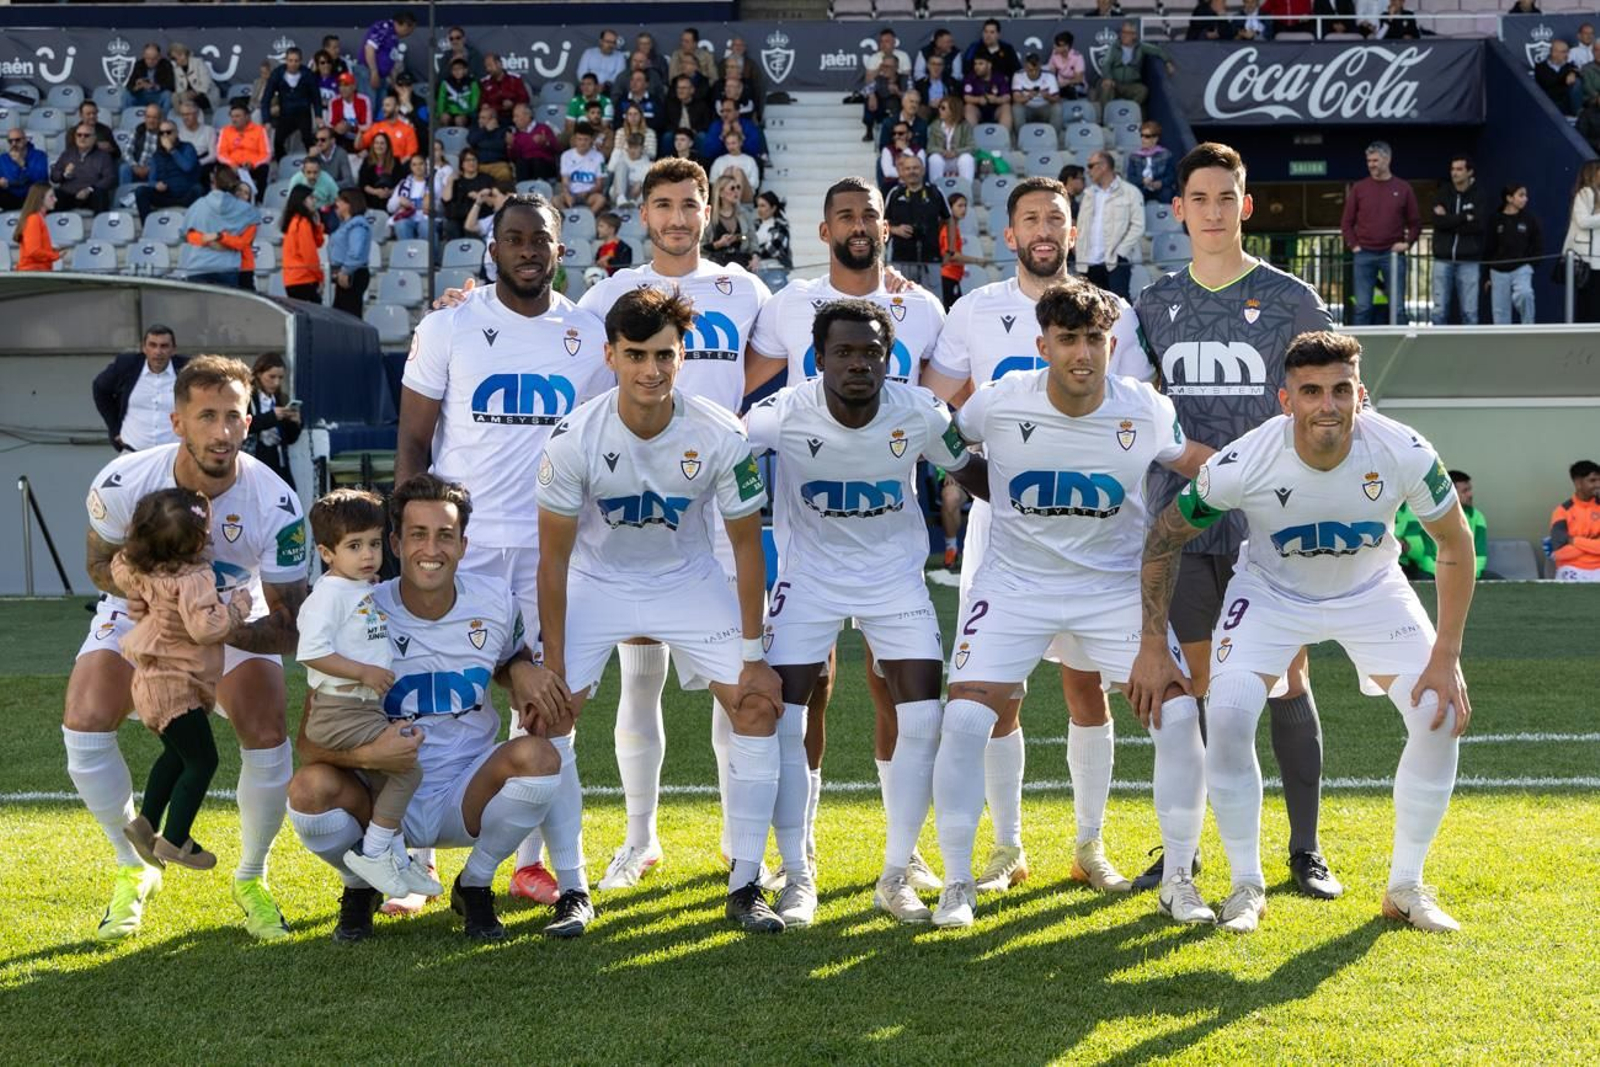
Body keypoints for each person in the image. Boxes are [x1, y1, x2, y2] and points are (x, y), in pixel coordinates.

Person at [1129, 330, 1477, 934]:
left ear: (1360, 394)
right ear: (1286, 400)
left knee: (1437, 714)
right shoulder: (1245, 460)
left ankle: (1406, 886)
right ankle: (1246, 886)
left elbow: (1454, 541)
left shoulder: (1405, 450)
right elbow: (1163, 538)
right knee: (1229, 713)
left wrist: (1446, 655)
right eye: (1311, 391)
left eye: (1341, 390)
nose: (1327, 405)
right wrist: (1154, 644)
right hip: (1271, 594)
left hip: (1371, 591)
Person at [932, 282, 1212, 930]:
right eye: (1068, 340)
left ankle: (1177, 879)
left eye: (1094, 340)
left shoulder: (1143, 407)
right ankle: (956, 883)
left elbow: (1198, 463)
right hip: (1015, 584)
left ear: (1111, 344)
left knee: (1177, 717)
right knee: (965, 720)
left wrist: (1272, 467)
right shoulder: (1001, 400)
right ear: (1043, 346)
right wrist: (989, 489)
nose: (1083, 354)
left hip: (1112, 587)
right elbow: (945, 445)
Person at [921, 177, 1149, 896]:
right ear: (1011, 233)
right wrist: (981, 468)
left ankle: (1089, 844)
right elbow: (936, 403)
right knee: (998, 695)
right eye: (1030, 219)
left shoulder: (1112, 314)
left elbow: (1134, 410)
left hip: (1093, 533)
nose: (1044, 229)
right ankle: (1007, 847)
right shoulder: (975, 309)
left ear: (1073, 233)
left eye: (1056, 218)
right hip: (1005, 532)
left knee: (1087, 689)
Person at [536, 287, 787, 932]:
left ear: (683, 357)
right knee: (547, 716)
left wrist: (754, 656)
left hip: (686, 580)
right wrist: (553, 665)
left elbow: (746, 545)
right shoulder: (574, 437)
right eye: (636, 355)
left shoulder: (720, 431)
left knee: (757, 705)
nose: (651, 370)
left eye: (665, 355)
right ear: (610, 356)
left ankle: (746, 883)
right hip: (598, 581)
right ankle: (572, 887)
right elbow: (553, 562)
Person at [561, 157, 774, 892]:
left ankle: (737, 845)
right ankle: (640, 837)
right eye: (664, 205)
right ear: (643, 212)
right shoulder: (609, 292)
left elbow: (771, 356)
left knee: (732, 676)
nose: (678, 218)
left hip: (718, 495)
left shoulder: (745, 290)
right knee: (639, 675)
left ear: (709, 211)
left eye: (690, 204)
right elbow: (572, 355)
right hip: (641, 507)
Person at [394, 193, 610, 913]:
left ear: (559, 249)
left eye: (539, 239)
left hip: (555, 550)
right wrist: (410, 536)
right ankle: (413, 858)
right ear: (492, 249)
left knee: (549, 707)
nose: (526, 250)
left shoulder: (587, 333)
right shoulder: (449, 324)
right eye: (513, 238)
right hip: (467, 549)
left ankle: (538, 867)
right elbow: (413, 439)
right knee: (434, 695)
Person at [1133, 142, 1339, 896]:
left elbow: (1337, 399)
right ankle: (1183, 852)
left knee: (1284, 678)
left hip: (1270, 525)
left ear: (1246, 206)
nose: (1214, 211)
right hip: (1183, 523)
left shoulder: (1291, 298)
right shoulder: (1152, 303)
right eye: (1200, 198)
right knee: (1200, 687)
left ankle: (1305, 850)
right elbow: (1135, 410)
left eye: (1227, 197)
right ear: (1179, 209)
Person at [746, 298, 989, 925]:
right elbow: (722, 450)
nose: (859, 363)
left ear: (889, 358)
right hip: (808, 580)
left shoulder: (923, 412)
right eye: (844, 352)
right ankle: (797, 873)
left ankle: (895, 872)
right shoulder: (782, 414)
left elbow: (974, 471)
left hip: (893, 581)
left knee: (923, 718)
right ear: (818, 359)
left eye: (872, 352)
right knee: (785, 719)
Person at [747, 177, 947, 887]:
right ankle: (795, 857)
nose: (858, 225)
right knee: (804, 696)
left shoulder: (923, 308)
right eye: (845, 215)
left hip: (891, 553)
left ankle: (904, 856)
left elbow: (941, 409)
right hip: (809, 553)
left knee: (903, 695)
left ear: (886, 226)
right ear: (824, 228)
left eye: (870, 215)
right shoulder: (788, 304)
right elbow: (742, 396)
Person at [69, 355, 308, 942]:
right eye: (206, 416)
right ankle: (133, 865)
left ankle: (252, 878)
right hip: (142, 612)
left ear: (248, 422)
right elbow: (99, 564)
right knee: (85, 722)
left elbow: (289, 624)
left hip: (231, 618)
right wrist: (151, 596)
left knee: (266, 731)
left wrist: (218, 628)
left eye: (232, 416)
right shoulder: (124, 480)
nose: (221, 431)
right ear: (177, 422)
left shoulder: (277, 504)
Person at [289, 473, 569, 941]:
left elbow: (508, 658)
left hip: (467, 788)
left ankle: (474, 883)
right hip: (379, 792)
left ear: (463, 544)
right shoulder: (359, 606)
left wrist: (520, 668)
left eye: (445, 535)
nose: (431, 549)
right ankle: (361, 884)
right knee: (307, 789)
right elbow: (308, 741)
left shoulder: (495, 600)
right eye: (418, 534)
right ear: (396, 544)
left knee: (540, 758)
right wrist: (369, 757)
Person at [295, 488, 440, 898]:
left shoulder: (354, 587)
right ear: (327, 553)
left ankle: (396, 857)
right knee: (406, 771)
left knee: (385, 779)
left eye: (374, 544)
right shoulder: (327, 596)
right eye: (354, 546)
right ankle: (373, 852)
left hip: (363, 707)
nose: (368, 555)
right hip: (341, 709)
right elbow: (311, 652)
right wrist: (363, 672)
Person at [112, 488, 252, 872]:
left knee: (177, 756)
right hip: (175, 686)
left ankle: (145, 824)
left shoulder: (140, 567)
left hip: (150, 683)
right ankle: (175, 840)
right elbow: (206, 628)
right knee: (203, 761)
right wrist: (237, 608)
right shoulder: (194, 578)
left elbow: (119, 566)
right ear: (196, 541)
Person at [1341, 141, 1420, 325]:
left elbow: (1415, 222)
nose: (1371, 165)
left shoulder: (1403, 188)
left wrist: (1407, 243)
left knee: (1397, 307)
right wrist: (1354, 245)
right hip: (1364, 254)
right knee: (1362, 307)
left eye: (1375, 160)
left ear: (1387, 159)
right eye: (1369, 161)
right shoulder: (1359, 188)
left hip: (1393, 254)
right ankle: (1358, 344)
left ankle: (1400, 343)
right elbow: (1346, 222)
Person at [92, 326, 187, 453]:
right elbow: (100, 388)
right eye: (152, 345)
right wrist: (115, 428)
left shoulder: (187, 370)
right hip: (132, 453)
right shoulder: (127, 365)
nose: (158, 352)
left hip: (174, 455)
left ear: (173, 349)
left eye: (164, 346)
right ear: (144, 348)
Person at [1077, 150, 1145, 300]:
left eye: (1091, 166)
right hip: (1088, 262)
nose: (1088, 171)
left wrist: (1120, 253)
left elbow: (1138, 225)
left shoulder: (1130, 192)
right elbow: (1082, 226)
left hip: (1115, 262)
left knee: (1119, 304)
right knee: (1091, 307)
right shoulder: (1088, 194)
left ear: (1103, 166)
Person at [179, 166, 261, 289]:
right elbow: (243, 242)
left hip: (199, 265)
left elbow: (187, 235)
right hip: (227, 267)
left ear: (214, 181)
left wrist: (211, 239)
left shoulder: (199, 204)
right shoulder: (249, 211)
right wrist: (216, 240)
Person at [1430, 155, 1488, 326]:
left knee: (1470, 312)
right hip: (1443, 259)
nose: (1454, 173)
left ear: (1469, 172)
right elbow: (1438, 222)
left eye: (1459, 169)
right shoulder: (1442, 193)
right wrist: (1464, 217)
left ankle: (1471, 344)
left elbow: (1478, 225)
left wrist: (1449, 220)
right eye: (1452, 169)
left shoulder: (1479, 195)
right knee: (1439, 311)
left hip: (1469, 260)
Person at [1398, 470, 1487, 579]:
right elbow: (1427, 558)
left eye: (1469, 489)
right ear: (1449, 492)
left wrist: (1468, 575)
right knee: (1423, 580)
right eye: (1465, 491)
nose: (1470, 494)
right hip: (1435, 573)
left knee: (1498, 582)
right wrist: (1447, 575)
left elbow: (1480, 556)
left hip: (1467, 573)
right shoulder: (1431, 515)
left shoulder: (1477, 517)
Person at [885, 154, 950, 290]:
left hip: (931, 257)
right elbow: (881, 223)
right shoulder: (895, 193)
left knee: (932, 298)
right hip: (901, 258)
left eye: (915, 168)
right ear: (902, 172)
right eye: (908, 168)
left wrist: (950, 250)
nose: (912, 172)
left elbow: (949, 220)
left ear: (923, 170)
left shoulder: (935, 192)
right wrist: (896, 230)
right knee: (901, 299)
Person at [243, 353, 304, 487]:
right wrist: (271, 417)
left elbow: (290, 439)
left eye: (280, 378)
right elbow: (243, 426)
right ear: (259, 374)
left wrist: (295, 423)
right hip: (254, 460)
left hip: (278, 461)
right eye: (271, 377)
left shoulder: (281, 398)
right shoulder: (247, 398)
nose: (276, 383)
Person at [1487, 184, 1541, 325]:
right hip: (1498, 270)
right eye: (1521, 195)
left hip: (1521, 268)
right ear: (1509, 198)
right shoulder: (1495, 219)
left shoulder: (1530, 219)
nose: (1525, 199)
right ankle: (1503, 339)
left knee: (1525, 294)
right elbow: (1489, 247)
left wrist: (1531, 265)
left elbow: (1537, 244)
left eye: (1525, 195)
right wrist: (1487, 275)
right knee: (1500, 313)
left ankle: (1528, 330)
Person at [133, 119, 203, 222]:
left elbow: (187, 167)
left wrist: (172, 150)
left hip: (186, 194)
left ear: (176, 133)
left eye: (168, 132)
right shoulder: (156, 155)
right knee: (140, 191)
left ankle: (197, 226)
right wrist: (156, 185)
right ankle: (147, 226)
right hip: (166, 195)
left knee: (198, 189)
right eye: (161, 133)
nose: (165, 136)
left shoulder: (187, 147)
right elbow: (151, 180)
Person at [261, 48, 321, 162]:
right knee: (278, 141)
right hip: (286, 114)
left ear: (301, 61)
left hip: (303, 113)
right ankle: (284, 164)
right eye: (290, 60)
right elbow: (266, 99)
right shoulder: (277, 74)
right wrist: (266, 120)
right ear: (286, 60)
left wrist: (318, 115)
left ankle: (314, 164)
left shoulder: (308, 74)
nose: (293, 64)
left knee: (307, 139)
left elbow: (316, 97)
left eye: (296, 61)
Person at [1098, 22, 1175, 107]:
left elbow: (1157, 50)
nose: (1124, 35)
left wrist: (1167, 62)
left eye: (1127, 33)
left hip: (1131, 84)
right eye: (1123, 32)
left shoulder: (1140, 47)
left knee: (1142, 91)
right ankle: (1106, 114)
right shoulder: (1114, 47)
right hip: (1115, 83)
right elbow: (1106, 63)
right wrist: (1108, 78)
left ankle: (1128, 110)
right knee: (1106, 86)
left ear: (1134, 35)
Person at [1561, 161, 1600, 322]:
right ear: (1593, 173)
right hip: (1587, 259)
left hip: (1595, 257)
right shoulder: (1585, 193)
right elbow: (1583, 221)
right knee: (1588, 301)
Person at [1550, 459, 1600, 581]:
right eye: (1592, 480)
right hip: (1571, 568)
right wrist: (1593, 544)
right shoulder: (1561, 512)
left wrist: (1573, 540)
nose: (1598, 484)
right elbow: (1559, 553)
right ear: (1578, 483)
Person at [51, 124, 115, 213]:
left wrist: (89, 189)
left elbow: (109, 178)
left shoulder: (103, 156)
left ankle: (101, 222)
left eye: (86, 135)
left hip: (91, 195)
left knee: (101, 194)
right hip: (69, 194)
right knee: (53, 195)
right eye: (79, 135)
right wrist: (64, 174)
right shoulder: (67, 154)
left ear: (94, 138)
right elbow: (54, 177)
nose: (82, 138)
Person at [328, 188, 373, 316]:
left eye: (339, 201)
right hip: (344, 272)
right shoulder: (346, 224)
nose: (336, 204)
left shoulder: (357, 225)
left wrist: (345, 271)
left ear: (349, 204)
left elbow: (356, 250)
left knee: (349, 312)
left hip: (352, 273)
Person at [215, 104, 271, 200]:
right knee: (220, 168)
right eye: (232, 116)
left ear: (247, 117)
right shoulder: (225, 131)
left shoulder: (259, 130)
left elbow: (266, 154)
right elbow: (220, 153)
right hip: (232, 166)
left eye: (237, 116)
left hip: (252, 166)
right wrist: (232, 164)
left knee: (264, 168)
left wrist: (253, 164)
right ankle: (225, 200)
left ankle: (259, 200)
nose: (234, 119)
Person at [359, 10, 418, 95]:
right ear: (404, 25)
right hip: (368, 72)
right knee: (370, 101)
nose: (410, 33)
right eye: (410, 29)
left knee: (382, 103)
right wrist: (374, 72)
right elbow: (369, 48)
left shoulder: (394, 36)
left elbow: (390, 59)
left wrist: (394, 82)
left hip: (382, 76)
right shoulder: (383, 27)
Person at [556, 122, 608, 213]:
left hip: (589, 195)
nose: (582, 143)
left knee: (601, 199)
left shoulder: (599, 157)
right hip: (572, 193)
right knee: (555, 200)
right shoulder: (566, 156)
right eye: (579, 139)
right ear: (575, 140)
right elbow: (565, 181)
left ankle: (587, 218)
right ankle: (567, 217)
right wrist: (567, 194)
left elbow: (600, 184)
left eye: (586, 140)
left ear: (591, 140)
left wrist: (587, 192)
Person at [703, 173, 753, 267]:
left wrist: (755, 256)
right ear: (721, 193)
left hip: (741, 265)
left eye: (738, 187)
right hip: (716, 266)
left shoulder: (744, 214)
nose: (736, 191)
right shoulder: (709, 216)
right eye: (732, 188)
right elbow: (700, 247)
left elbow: (751, 238)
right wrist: (718, 244)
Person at [388, 153, 437, 244]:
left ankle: (430, 253)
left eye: (421, 163)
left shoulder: (434, 182)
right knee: (401, 224)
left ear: (426, 165)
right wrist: (399, 200)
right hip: (408, 218)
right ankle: (408, 252)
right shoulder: (403, 183)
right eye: (414, 165)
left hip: (426, 219)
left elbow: (441, 206)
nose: (418, 167)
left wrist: (432, 205)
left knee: (425, 227)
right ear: (410, 167)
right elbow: (390, 208)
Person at [359, 92, 421, 163]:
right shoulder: (376, 126)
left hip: (399, 166)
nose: (383, 108)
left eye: (387, 105)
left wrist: (397, 165)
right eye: (383, 105)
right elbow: (360, 145)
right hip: (378, 165)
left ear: (396, 108)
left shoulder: (408, 129)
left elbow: (411, 153)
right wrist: (360, 132)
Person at [926, 97, 977, 184]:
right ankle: (936, 188)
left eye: (943, 108)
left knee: (967, 158)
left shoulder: (965, 126)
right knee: (934, 158)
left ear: (953, 110)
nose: (939, 110)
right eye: (939, 107)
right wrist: (943, 152)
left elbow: (972, 147)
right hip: (942, 158)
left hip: (958, 158)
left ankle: (966, 188)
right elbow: (930, 147)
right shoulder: (934, 126)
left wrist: (956, 152)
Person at [13, 183, 61, 272]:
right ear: (40, 199)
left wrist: (50, 249)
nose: (55, 199)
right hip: (33, 271)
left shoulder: (38, 218)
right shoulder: (34, 218)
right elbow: (33, 251)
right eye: (51, 196)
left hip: (37, 270)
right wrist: (55, 255)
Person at [1127, 122, 1176, 204]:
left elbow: (1171, 176)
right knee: (1135, 195)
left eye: (1147, 136)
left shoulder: (1166, 155)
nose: (1143, 139)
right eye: (1142, 135)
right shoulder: (1134, 157)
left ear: (1155, 139)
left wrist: (1161, 183)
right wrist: (1142, 181)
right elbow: (1131, 178)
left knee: (1167, 193)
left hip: (1160, 188)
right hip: (1141, 187)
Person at [1, 128, 49, 211]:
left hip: (32, 197)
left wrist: (23, 164)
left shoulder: (39, 155)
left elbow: (41, 179)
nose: (14, 144)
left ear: (25, 140)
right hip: (10, 196)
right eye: (10, 141)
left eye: (17, 140)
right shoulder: (3, 158)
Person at [1012, 52, 1061, 130]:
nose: (1034, 73)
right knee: (1017, 108)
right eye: (1030, 70)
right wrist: (1028, 97)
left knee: (1057, 107)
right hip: (1027, 107)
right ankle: (1020, 135)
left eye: (1036, 70)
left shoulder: (1049, 75)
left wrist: (1048, 97)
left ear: (1040, 66)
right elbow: (1016, 99)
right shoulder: (1018, 75)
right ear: (1025, 67)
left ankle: (1054, 135)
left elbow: (1057, 98)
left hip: (1044, 107)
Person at [467, 103, 515, 184]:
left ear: (493, 120)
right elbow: (471, 140)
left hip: (498, 165)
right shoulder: (475, 129)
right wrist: (485, 130)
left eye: (483, 118)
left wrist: (480, 143)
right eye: (479, 118)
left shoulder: (503, 130)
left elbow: (501, 146)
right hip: (479, 165)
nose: (479, 120)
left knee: (505, 173)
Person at [962, 54, 1012, 132]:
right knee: (968, 107)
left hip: (995, 110)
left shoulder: (999, 77)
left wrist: (996, 100)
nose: (976, 67)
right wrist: (979, 100)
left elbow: (1007, 97)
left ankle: (1003, 137)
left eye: (980, 64)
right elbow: (966, 97)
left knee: (1006, 107)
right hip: (978, 110)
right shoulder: (970, 77)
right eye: (975, 64)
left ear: (989, 65)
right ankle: (970, 137)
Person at [480, 53, 531, 125]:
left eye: (490, 65)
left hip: (513, 114)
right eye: (486, 67)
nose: (488, 69)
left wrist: (513, 103)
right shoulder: (485, 82)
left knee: (521, 111)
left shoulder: (514, 79)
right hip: (495, 116)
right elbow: (483, 102)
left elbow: (525, 99)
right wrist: (489, 107)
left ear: (499, 64)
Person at [328, 73, 373, 154]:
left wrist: (350, 127)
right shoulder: (334, 101)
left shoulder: (364, 100)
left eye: (346, 85)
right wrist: (337, 127)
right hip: (342, 137)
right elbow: (330, 124)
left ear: (354, 87)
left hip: (359, 136)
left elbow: (368, 125)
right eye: (340, 85)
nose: (342, 89)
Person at [124, 42, 175, 112]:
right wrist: (137, 87)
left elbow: (171, 85)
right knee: (126, 95)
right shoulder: (139, 64)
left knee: (168, 95)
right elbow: (129, 85)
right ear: (144, 56)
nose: (151, 61)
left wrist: (155, 86)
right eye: (148, 58)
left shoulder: (166, 64)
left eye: (154, 59)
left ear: (159, 57)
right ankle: (127, 117)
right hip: (142, 95)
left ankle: (164, 118)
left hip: (158, 95)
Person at [753, 190, 791, 282]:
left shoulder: (781, 226)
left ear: (773, 208)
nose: (759, 209)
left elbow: (774, 248)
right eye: (758, 206)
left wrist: (756, 255)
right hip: (756, 270)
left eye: (763, 206)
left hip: (774, 271)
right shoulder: (756, 225)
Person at [708, 129, 758, 196]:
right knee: (728, 171)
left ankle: (736, 198)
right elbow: (713, 181)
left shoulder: (750, 160)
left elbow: (754, 183)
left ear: (740, 143)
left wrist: (739, 178)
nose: (731, 147)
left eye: (733, 143)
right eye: (728, 144)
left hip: (745, 194)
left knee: (738, 172)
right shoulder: (719, 161)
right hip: (724, 194)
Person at [359, 132, 402, 208]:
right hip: (371, 198)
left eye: (382, 143)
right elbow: (363, 183)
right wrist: (376, 192)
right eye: (376, 143)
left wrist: (389, 192)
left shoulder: (395, 161)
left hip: (390, 198)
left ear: (387, 146)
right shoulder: (367, 161)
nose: (379, 146)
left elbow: (400, 183)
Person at [168, 42, 215, 112]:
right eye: (172, 59)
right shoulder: (176, 68)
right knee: (175, 96)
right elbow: (178, 87)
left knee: (185, 97)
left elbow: (206, 82)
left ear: (183, 55)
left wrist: (196, 92)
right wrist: (185, 93)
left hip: (204, 94)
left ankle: (188, 115)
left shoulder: (198, 62)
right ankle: (180, 115)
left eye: (174, 58)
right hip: (187, 95)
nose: (173, 61)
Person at [578, 29, 628, 95]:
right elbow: (581, 72)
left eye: (613, 42)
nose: (610, 45)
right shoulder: (589, 53)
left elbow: (619, 76)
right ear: (601, 41)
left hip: (608, 89)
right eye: (608, 42)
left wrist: (605, 86)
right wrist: (592, 85)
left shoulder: (620, 56)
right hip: (587, 87)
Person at [609, 132, 652, 208]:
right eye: (630, 147)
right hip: (618, 192)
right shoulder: (621, 156)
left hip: (636, 195)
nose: (632, 151)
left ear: (642, 148)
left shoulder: (647, 163)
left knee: (646, 183)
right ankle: (621, 199)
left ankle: (633, 204)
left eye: (635, 148)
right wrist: (618, 150)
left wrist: (640, 183)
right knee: (621, 165)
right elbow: (610, 169)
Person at [436, 57, 480, 128]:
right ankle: (446, 134)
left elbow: (474, 103)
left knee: (459, 120)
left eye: (459, 69)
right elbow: (441, 100)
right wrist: (441, 113)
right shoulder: (446, 83)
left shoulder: (472, 82)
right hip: (450, 112)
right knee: (444, 118)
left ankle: (461, 135)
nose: (457, 71)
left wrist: (467, 113)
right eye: (454, 69)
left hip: (465, 113)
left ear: (465, 70)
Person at [175, 101, 217, 173]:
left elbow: (213, 156)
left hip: (203, 166)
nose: (185, 117)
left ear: (196, 114)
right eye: (183, 115)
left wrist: (196, 164)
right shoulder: (178, 132)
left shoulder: (209, 130)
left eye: (188, 114)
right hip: (184, 166)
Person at [1047, 31, 1089, 99]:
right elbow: (1051, 72)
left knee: (1072, 90)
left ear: (1066, 47)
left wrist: (1065, 83)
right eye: (1055, 43)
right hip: (1060, 85)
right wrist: (1053, 83)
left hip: (1076, 85)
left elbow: (1079, 79)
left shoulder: (1077, 57)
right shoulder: (1054, 54)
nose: (1054, 46)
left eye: (1058, 45)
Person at [592, 210, 632, 275]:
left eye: (601, 226)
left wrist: (609, 261)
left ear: (611, 229)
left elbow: (624, 267)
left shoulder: (624, 248)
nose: (598, 229)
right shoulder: (600, 248)